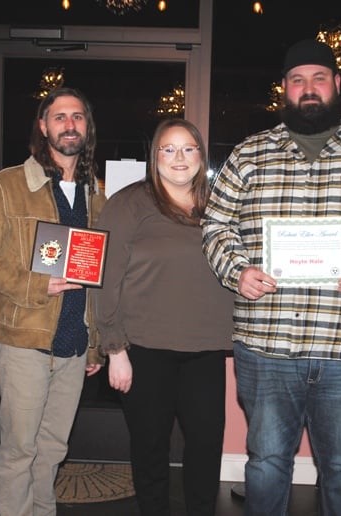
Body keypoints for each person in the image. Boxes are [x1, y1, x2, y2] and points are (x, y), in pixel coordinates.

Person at [201, 39, 341, 516]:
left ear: (337, 84)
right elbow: (215, 225)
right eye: (297, 80)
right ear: (284, 89)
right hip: (267, 347)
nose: (309, 89)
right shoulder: (250, 154)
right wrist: (236, 269)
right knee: (265, 464)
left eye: (319, 78)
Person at [0, 87, 106, 516]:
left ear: (87, 127)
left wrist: (93, 341)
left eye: (77, 117)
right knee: (20, 449)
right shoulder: (6, 186)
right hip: (23, 339)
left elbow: (95, 278)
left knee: (53, 448)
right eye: (59, 117)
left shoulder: (95, 193)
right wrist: (34, 284)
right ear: (43, 127)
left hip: (73, 345)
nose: (69, 125)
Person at [91, 118, 234, 515]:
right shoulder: (129, 203)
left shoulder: (221, 205)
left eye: (188, 148)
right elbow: (107, 279)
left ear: (201, 156)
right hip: (144, 349)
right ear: (154, 157)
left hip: (206, 350)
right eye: (168, 149)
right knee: (150, 448)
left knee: (206, 447)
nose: (179, 158)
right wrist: (114, 348)